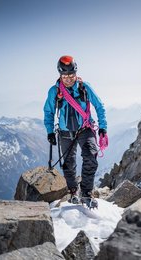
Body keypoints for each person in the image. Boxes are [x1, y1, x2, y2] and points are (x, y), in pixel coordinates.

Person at [43, 55, 107, 208]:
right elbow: (48, 112)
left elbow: (99, 106)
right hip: (65, 133)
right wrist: (50, 131)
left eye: (71, 75)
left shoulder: (85, 87)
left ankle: (86, 193)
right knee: (68, 165)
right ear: (60, 74)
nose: (68, 78)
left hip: (85, 129)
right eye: (65, 75)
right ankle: (73, 192)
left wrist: (103, 127)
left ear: (76, 73)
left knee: (91, 157)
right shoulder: (54, 91)